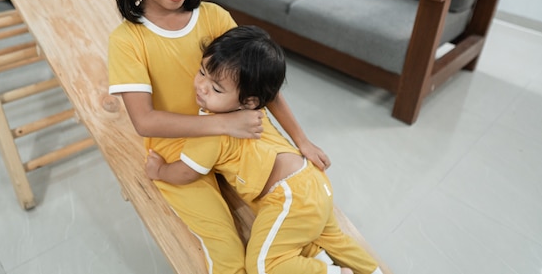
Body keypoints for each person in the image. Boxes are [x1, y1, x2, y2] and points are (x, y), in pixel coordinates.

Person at [107, 0, 330, 274]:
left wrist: (301, 140)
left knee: (298, 207)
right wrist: (222, 123)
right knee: (228, 251)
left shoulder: (214, 17)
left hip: (236, 136)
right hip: (179, 152)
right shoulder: (128, 41)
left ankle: (315, 265)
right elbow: (145, 121)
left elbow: (261, 86)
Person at [146, 26, 383, 274]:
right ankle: (371, 270)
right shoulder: (257, 111)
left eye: (216, 89)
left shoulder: (210, 131)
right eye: (201, 72)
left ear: (249, 100)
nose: (202, 86)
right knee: (332, 237)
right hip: (312, 181)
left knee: (262, 266)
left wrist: (160, 170)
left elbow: (185, 173)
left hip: (289, 197)